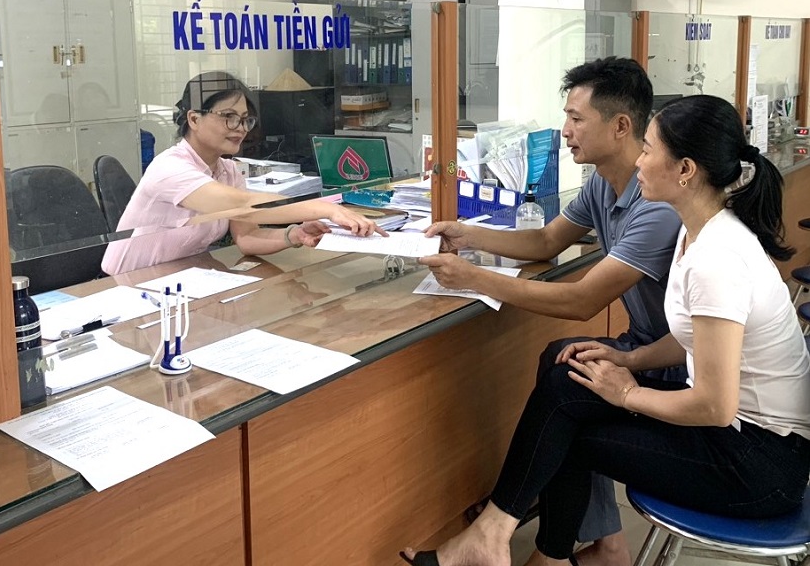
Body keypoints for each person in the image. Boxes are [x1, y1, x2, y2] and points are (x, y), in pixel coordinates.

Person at [402, 94, 810, 566]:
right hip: (735, 435)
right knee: (569, 375)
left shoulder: (717, 258)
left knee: (570, 435)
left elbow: (715, 407)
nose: (639, 160)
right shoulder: (698, 229)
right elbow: (694, 339)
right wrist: (627, 359)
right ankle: (500, 539)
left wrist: (627, 394)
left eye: (649, 150)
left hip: (757, 464)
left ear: (685, 170)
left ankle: (518, 547)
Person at [420, 57, 681, 565]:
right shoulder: (604, 181)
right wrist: (469, 234)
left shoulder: (656, 204)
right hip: (644, 346)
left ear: (620, 126)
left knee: (567, 387)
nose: (565, 131)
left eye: (577, 118)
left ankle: (522, 540)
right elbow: (545, 240)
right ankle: (598, 544)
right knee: (561, 361)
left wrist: (474, 278)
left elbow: (583, 301)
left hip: (673, 364)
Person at [102, 71, 382, 274]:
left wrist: (294, 235)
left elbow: (246, 236)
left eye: (246, 120)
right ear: (194, 119)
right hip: (128, 285)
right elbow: (244, 207)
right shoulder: (169, 168)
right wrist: (326, 209)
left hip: (183, 279)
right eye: (229, 117)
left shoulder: (227, 171)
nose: (240, 128)